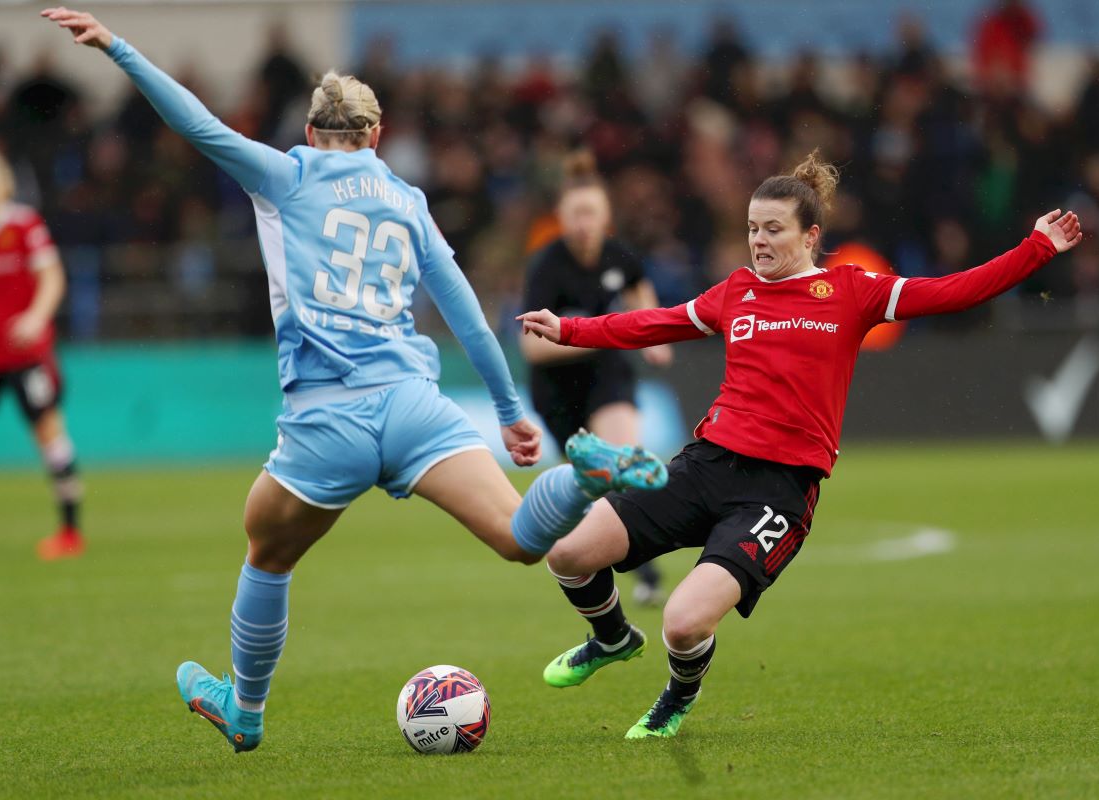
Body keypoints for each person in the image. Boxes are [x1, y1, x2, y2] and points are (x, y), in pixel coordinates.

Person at [42, 7, 667, 753]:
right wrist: (506, 410)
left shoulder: (285, 173)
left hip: (327, 417)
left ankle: (245, 711)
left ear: (310, 133)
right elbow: (466, 312)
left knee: (267, 551)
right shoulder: (407, 200)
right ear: (376, 135)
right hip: (413, 404)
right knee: (517, 536)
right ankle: (587, 478)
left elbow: (200, 126)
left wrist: (117, 47)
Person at [519, 150, 1082, 739]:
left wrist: (1036, 247)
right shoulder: (735, 291)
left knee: (683, 625)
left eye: (772, 230)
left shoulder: (852, 291)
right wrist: (570, 328)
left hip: (776, 491)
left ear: (810, 235)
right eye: (751, 230)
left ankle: (678, 695)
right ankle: (611, 639)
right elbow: (654, 321)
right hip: (704, 464)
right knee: (569, 555)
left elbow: (956, 291)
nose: (757, 242)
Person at [521, 150, 673, 605]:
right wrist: (599, 333)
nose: (584, 223)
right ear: (562, 219)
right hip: (557, 389)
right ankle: (631, 567)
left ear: (605, 216)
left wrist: (654, 335)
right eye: (576, 214)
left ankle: (646, 570)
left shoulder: (620, 255)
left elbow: (640, 290)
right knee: (595, 485)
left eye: (592, 213)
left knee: (625, 463)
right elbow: (531, 346)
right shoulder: (546, 266)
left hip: (608, 376)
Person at [0, 147, 84, 560]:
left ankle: (70, 531)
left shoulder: (24, 225)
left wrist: (35, 318)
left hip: (26, 355)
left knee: (48, 432)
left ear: (4, 186)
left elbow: (52, 277)